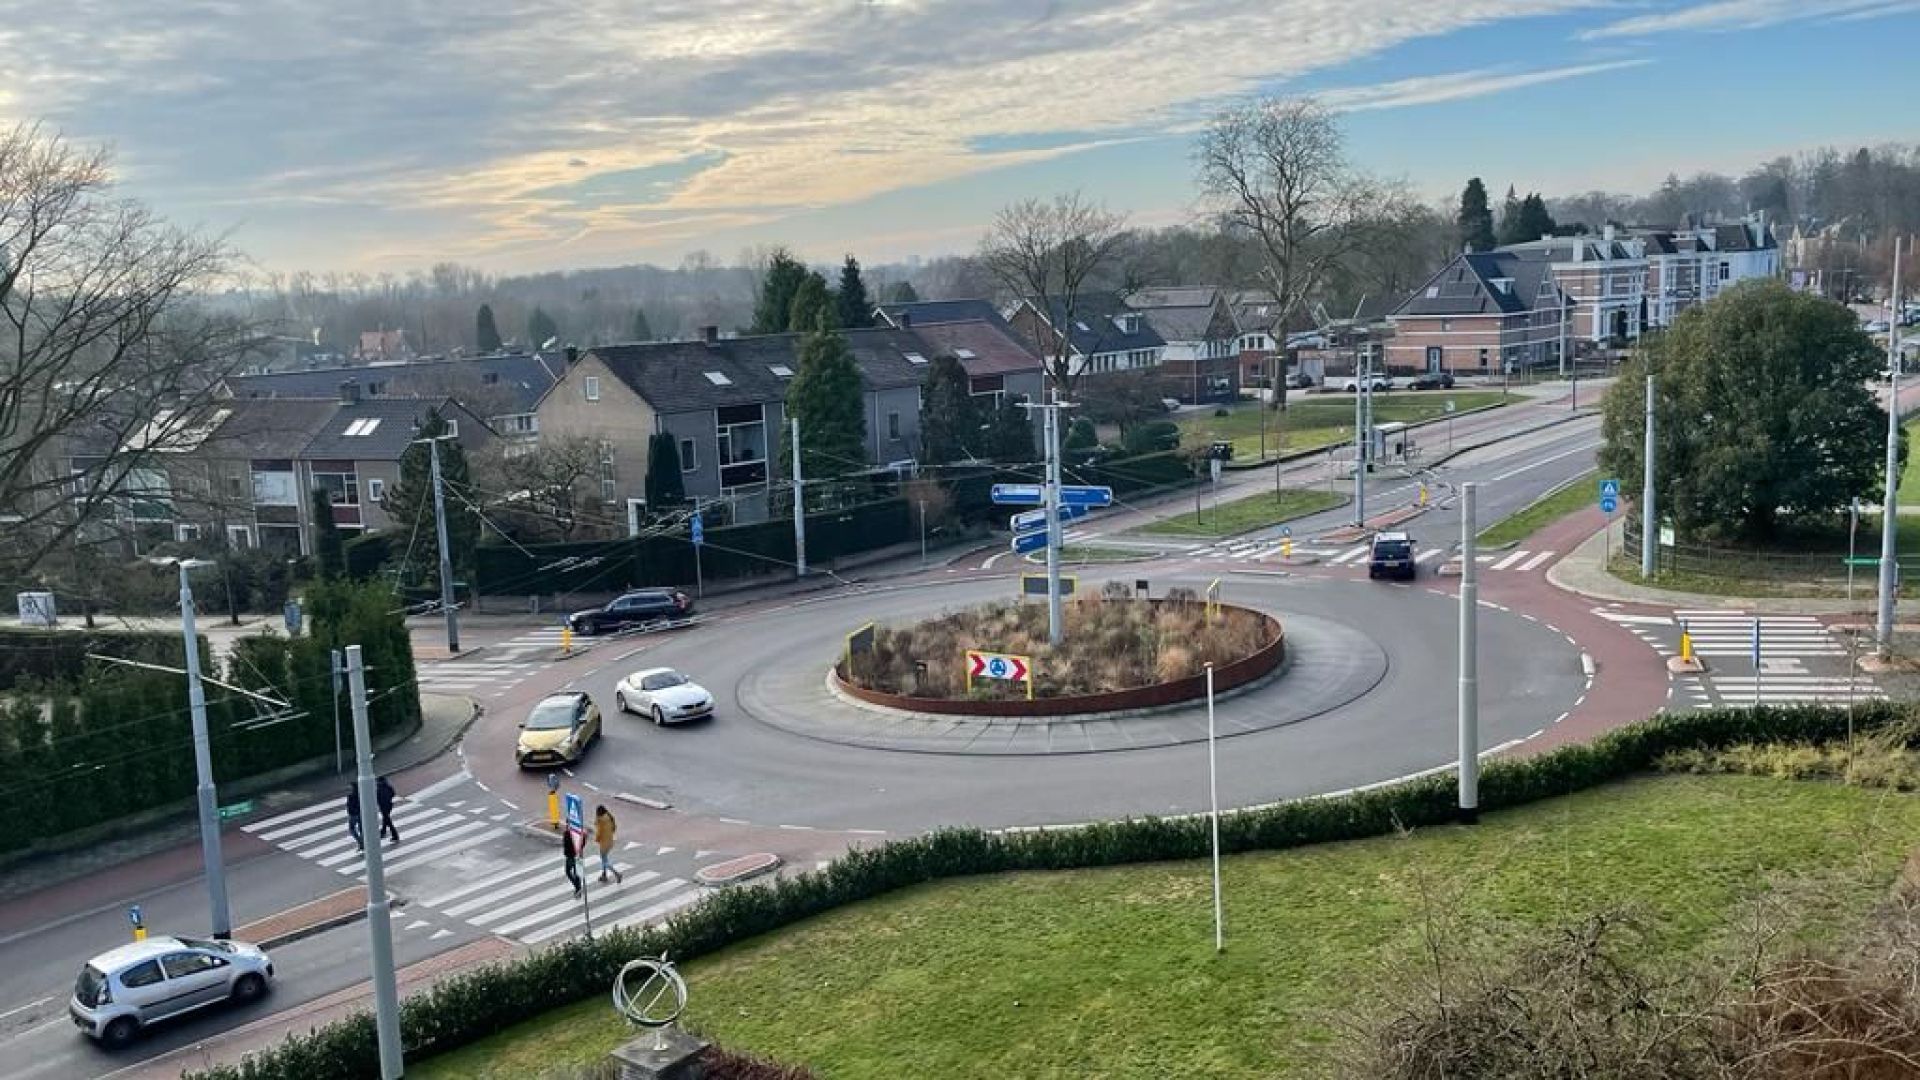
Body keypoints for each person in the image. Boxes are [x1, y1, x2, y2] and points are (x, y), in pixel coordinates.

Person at [594, 805, 623, 884]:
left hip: (603, 843)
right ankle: (604, 875)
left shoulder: (600, 820)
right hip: (610, 841)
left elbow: (599, 832)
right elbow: (614, 828)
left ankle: (617, 874)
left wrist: (596, 839)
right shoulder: (609, 817)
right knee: (604, 858)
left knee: (604, 861)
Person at [375, 776, 400, 845]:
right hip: (389, 805)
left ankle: (395, 835)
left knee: (388, 821)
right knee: (385, 818)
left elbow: (377, 798)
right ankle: (383, 832)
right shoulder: (388, 786)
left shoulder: (379, 789)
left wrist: (379, 803)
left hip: (383, 806)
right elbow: (393, 793)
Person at [562, 828, 582, 898]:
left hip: (571, 856)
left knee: (568, 871)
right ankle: (578, 889)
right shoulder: (578, 832)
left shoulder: (567, 833)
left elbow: (565, 845)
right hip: (578, 855)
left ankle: (578, 888)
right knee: (577, 872)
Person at [344, 786, 363, 852]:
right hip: (360, 814)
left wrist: (350, 812)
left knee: (352, 829)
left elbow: (349, 806)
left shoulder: (350, 797)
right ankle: (362, 842)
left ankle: (361, 842)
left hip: (353, 815)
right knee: (361, 829)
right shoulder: (360, 795)